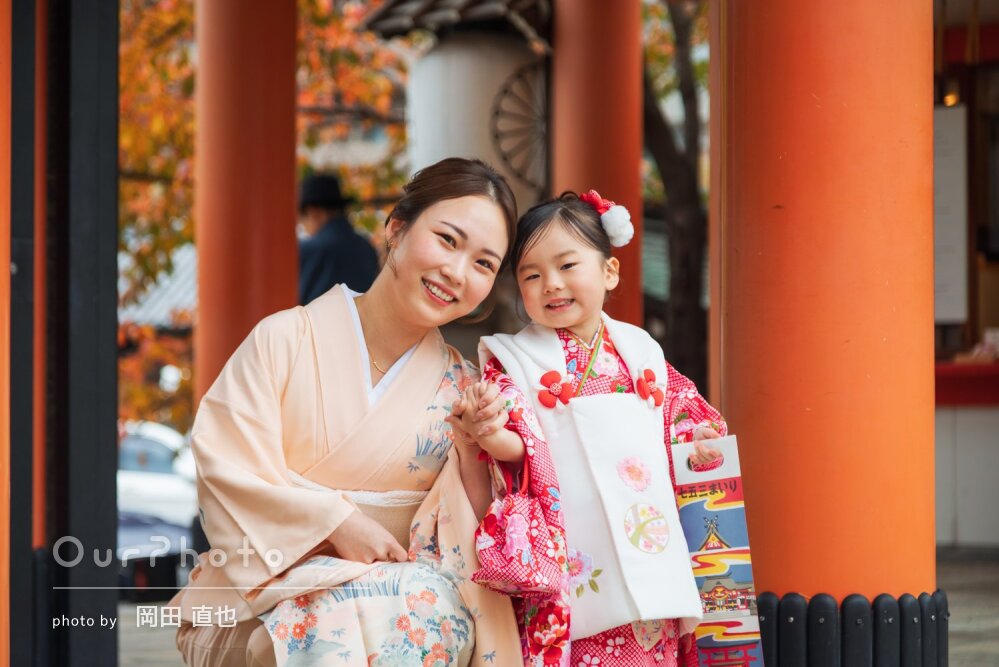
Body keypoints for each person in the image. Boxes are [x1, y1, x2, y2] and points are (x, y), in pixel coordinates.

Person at [171, 157, 524, 666]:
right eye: (448, 240)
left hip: (393, 604)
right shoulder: (284, 340)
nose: (457, 272)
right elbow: (226, 466)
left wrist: (474, 447)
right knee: (380, 615)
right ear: (396, 229)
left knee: (414, 609)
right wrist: (334, 523)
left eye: (484, 264)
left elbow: (465, 541)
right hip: (254, 601)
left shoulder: (465, 390)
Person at [450, 190, 725, 666]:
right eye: (532, 275)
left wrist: (698, 441)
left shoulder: (640, 350)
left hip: (648, 540)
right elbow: (521, 446)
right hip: (574, 549)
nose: (551, 284)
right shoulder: (514, 360)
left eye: (567, 265)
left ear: (609, 271)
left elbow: (679, 419)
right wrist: (486, 429)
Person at [297, 172, 379, 304]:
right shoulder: (367, 247)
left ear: (314, 212)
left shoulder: (307, 251)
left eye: (302, 219)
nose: (303, 226)